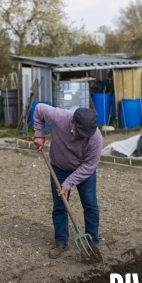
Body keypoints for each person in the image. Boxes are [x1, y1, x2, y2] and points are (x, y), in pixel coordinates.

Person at [32, 104, 103, 259]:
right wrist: (39, 134)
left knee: (90, 205)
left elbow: (89, 166)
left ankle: (93, 242)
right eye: (80, 133)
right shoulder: (59, 117)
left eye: (86, 134)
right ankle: (61, 241)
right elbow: (39, 109)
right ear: (72, 122)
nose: (83, 137)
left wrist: (68, 183)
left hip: (84, 171)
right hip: (59, 167)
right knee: (60, 206)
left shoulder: (95, 137)